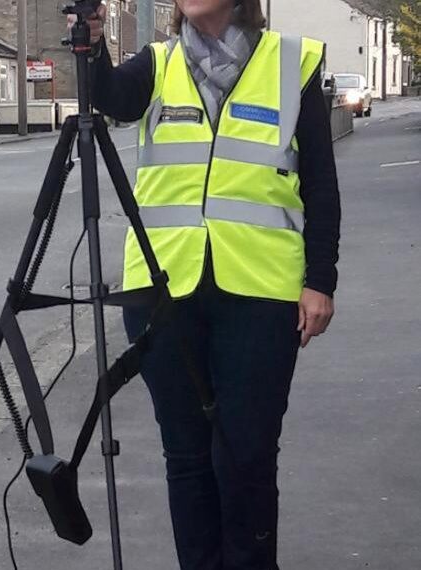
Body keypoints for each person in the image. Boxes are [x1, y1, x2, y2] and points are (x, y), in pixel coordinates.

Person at [70, 1, 341, 569]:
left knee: (246, 458)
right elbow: (111, 98)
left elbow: (321, 182)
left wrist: (320, 279)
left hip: (261, 297)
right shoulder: (157, 63)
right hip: (162, 294)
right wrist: (92, 47)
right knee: (187, 456)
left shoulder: (292, 63)